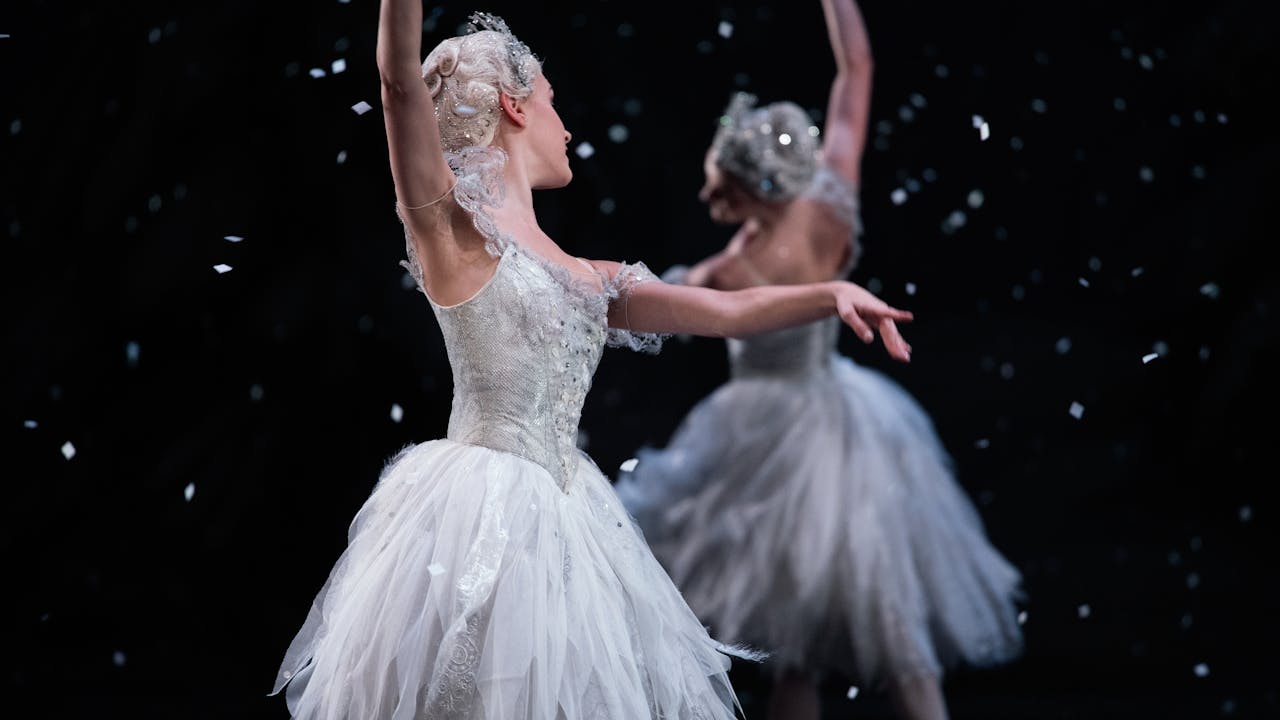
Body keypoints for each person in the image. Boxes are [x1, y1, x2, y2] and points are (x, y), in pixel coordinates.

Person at [270, 4, 914, 718]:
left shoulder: (587, 275)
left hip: (566, 518)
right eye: (552, 103)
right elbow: (398, 82)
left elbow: (728, 312)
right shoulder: (451, 231)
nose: (567, 125)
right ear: (514, 108)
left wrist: (831, 293)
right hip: (475, 511)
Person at [614, 2, 1023, 719]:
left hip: (764, 436)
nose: (709, 196)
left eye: (722, 189)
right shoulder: (830, 201)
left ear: (751, 192)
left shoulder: (733, 270)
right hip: (839, 412)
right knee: (879, 619)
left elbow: (660, 302)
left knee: (792, 640)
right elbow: (856, 68)